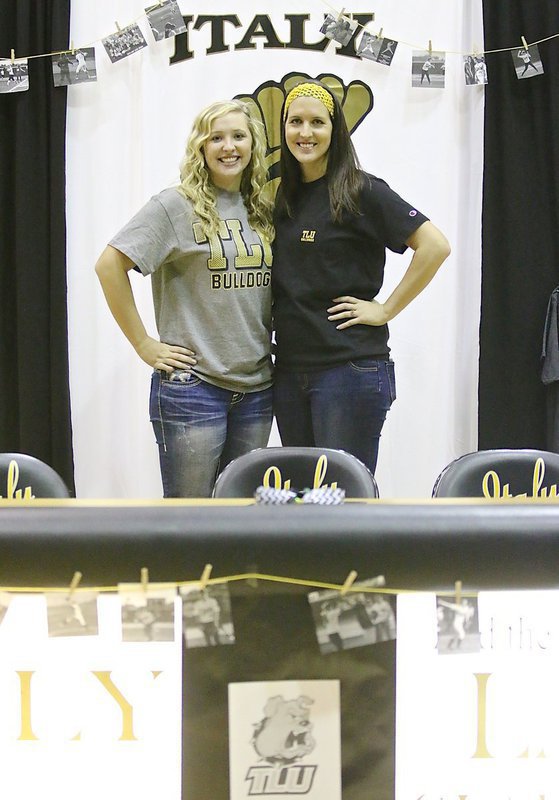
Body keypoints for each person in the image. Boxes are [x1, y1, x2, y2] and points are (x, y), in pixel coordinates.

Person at [95, 100, 274, 497]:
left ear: (253, 145)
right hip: (194, 388)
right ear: (201, 147)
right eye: (217, 137)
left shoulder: (262, 207)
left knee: (241, 513)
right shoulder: (174, 205)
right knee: (189, 517)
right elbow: (109, 266)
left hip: (258, 389)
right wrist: (144, 343)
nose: (229, 146)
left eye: (238, 136)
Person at [272, 80, 450, 475]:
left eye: (317, 122)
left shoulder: (361, 189)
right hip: (288, 371)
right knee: (303, 501)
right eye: (295, 122)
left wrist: (385, 309)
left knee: (345, 504)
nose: (305, 133)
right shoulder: (285, 194)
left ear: (336, 131)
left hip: (348, 371)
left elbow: (434, 245)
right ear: (282, 128)